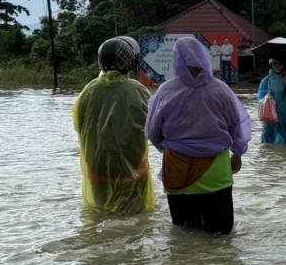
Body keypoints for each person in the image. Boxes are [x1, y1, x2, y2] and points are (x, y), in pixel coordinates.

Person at [146, 37, 251, 234]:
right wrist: (237, 153)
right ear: (204, 58)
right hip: (216, 174)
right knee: (221, 241)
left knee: (184, 242)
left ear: (176, 61)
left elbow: (152, 132)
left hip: (177, 172)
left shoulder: (166, 91)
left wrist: (170, 149)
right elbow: (237, 127)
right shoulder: (221, 89)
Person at [73, 36, 155, 215]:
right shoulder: (138, 90)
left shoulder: (87, 90)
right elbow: (154, 126)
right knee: (133, 222)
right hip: (130, 171)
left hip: (96, 169)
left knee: (100, 214)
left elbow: (79, 125)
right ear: (130, 63)